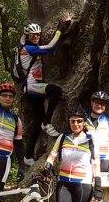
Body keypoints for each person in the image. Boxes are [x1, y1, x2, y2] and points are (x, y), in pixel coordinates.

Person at [16, 17, 72, 160]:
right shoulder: (29, 48)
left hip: (32, 87)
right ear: (27, 36)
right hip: (32, 86)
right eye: (33, 35)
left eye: (38, 35)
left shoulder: (25, 46)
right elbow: (50, 47)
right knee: (55, 90)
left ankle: (28, 157)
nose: (36, 37)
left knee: (36, 123)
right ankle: (47, 123)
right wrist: (60, 30)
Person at [41, 103, 96, 202]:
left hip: (83, 183)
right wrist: (48, 166)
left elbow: (95, 164)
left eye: (79, 121)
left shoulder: (90, 140)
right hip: (64, 182)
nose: (76, 124)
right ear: (69, 122)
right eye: (73, 121)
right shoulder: (63, 137)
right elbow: (52, 155)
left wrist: (98, 187)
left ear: (84, 122)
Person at [0, 81, 24, 190]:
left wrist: (21, 166)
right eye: (4, 95)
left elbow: (19, 144)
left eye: (10, 96)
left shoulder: (16, 119)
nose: (7, 98)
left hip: (4, 159)